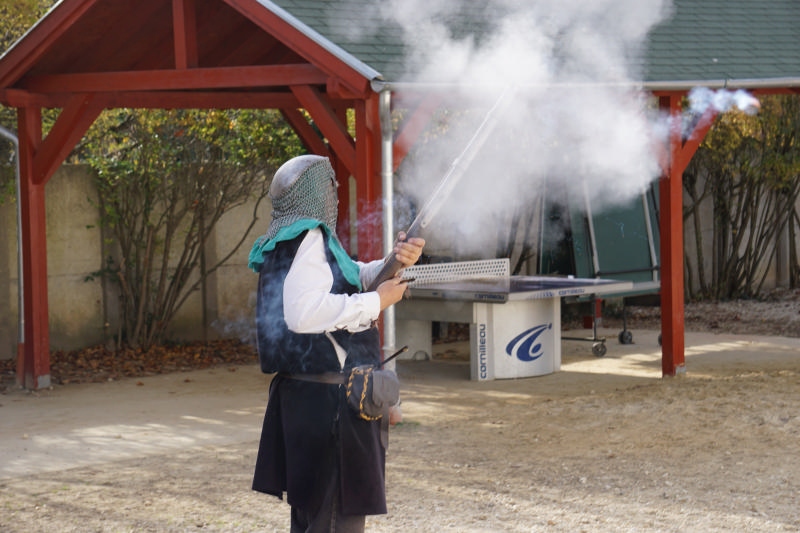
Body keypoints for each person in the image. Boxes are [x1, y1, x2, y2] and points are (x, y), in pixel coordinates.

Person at [248, 154, 425, 532]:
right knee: (333, 521)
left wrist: (392, 261)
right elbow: (303, 314)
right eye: (331, 185)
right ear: (318, 191)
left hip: (310, 402)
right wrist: (377, 301)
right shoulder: (309, 236)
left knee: (315, 521)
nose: (336, 193)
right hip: (330, 408)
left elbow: (350, 276)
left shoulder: (288, 239)